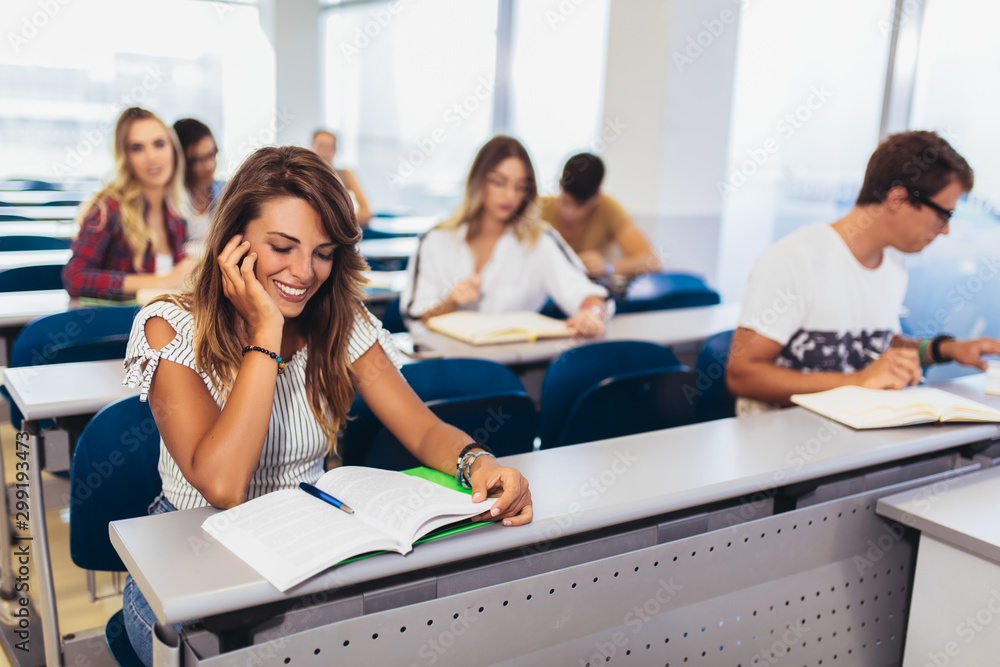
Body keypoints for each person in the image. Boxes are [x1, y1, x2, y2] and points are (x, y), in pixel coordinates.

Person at [120, 146, 532, 665]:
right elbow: (223, 485)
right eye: (282, 247)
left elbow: (423, 431)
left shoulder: (338, 317)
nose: (304, 272)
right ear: (234, 242)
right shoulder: (168, 326)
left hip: (305, 540)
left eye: (322, 251)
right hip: (190, 558)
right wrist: (266, 332)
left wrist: (481, 462)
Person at [726, 130, 1000, 414]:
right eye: (943, 215)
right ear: (897, 199)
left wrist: (945, 350)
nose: (945, 230)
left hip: (857, 432)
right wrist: (856, 381)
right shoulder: (794, 259)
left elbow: (871, 343)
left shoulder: (893, 261)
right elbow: (742, 376)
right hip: (781, 444)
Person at [401, 136, 611, 337]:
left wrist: (590, 314)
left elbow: (589, 294)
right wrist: (451, 302)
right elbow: (415, 317)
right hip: (447, 363)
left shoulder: (539, 240)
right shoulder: (436, 240)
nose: (510, 196)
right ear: (478, 181)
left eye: (520, 187)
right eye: (499, 182)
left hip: (514, 365)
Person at [62, 107, 195, 299]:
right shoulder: (108, 207)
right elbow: (74, 278)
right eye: (137, 148)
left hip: (155, 323)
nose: (152, 157)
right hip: (113, 326)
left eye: (159, 144)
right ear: (126, 157)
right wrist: (165, 280)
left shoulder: (175, 214)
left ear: (173, 149)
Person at [539, 153, 661, 278]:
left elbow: (652, 262)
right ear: (560, 185)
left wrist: (608, 266)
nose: (569, 212)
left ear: (596, 197)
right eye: (565, 201)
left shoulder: (608, 208)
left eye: (579, 205)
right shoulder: (538, 208)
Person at [173, 118, 224, 257]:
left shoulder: (226, 190)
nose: (209, 165)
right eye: (198, 159)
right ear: (181, 160)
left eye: (212, 154)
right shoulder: (171, 201)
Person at [310, 129, 372, 225]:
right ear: (311, 148)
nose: (325, 153)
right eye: (321, 147)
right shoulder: (303, 176)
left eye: (329, 148)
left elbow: (366, 212)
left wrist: (339, 221)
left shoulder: (345, 174)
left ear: (335, 151)